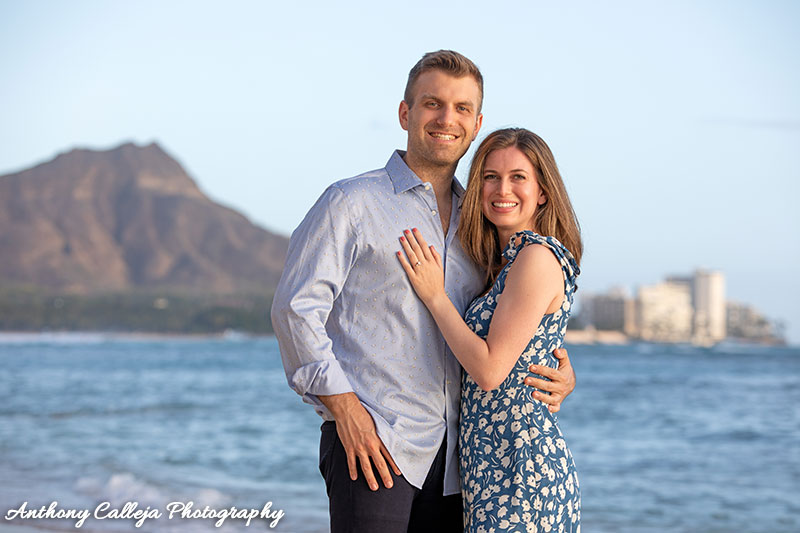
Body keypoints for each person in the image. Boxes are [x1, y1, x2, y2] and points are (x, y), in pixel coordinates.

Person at [271, 51, 576, 532]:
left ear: (476, 125)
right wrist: (343, 408)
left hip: (463, 466)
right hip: (374, 447)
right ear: (405, 114)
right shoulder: (351, 203)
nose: (446, 119)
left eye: (461, 108)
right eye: (433, 103)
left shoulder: (480, 226)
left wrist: (559, 369)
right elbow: (295, 310)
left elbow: (512, 320)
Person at [397, 127, 582, 531]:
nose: (503, 189)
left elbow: (491, 370)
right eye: (490, 176)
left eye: (518, 177)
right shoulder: (504, 266)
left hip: (522, 472)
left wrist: (435, 296)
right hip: (490, 471)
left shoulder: (535, 257)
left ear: (543, 192)